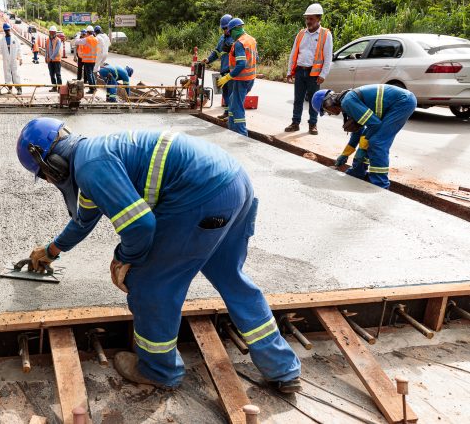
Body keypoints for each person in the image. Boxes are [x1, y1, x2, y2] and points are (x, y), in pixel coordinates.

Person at [16, 118, 302, 392]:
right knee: (230, 276)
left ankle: (159, 371)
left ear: (51, 166)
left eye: (44, 177)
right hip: (234, 184)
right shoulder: (94, 156)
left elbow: (140, 226)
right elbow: (83, 220)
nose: (49, 182)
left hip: (201, 197)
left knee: (150, 286)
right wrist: (51, 251)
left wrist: (124, 259)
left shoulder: (91, 167)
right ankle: (282, 369)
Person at [312, 84, 416, 189]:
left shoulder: (348, 102)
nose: (329, 114)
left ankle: (380, 185)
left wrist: (362, 147)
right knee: (367, 140)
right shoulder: (346, 103)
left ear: (328, 102)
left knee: (377, 142)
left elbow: (374, 124)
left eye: (326, 110)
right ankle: (357, 173)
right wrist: (345, 154)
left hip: (402, 102)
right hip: (396, 104)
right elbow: (358, 132)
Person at [285, 3, 333, 135]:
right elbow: (294, 52)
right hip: (300, 70)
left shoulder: (325, 34)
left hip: (314, 73)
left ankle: (313, 124)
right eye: (307, 18)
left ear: (318, 19)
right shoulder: (301, 33)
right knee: (298, 99)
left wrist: (323, 74)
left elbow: (328, 57)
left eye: (311, 18)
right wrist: (290, 71)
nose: (308, 21)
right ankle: (295, 123)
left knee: (313, 100)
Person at [216, 18, 257, 136]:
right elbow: (255, 59)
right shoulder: (251, 40)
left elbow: (241, 64)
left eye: (230, 31)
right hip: (250, 78)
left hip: (241, 79)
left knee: (237, 107)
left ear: (234, 30)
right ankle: (232, 129)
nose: (229, 33)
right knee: (233, 105)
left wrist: (228, 77)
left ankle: (242, 134)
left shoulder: (239, 43)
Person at [203, 14, 233, 121]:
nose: (225, 30)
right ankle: (226, 112)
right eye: (223, 28)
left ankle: (231, 115)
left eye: (227, 28)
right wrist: (208, 59)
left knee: (231, 93)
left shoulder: (236, 38)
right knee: (225, 92)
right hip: (224, 69)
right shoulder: (222, 38)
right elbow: (216, 51)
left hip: (232, 70)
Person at [0, 23, 22, 95]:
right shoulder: (2, 40)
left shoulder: (15, 38)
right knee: (7, 74)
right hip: (6, 60)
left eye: (8, 30)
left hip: (14, 59)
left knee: (16, 74)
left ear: (10, 30)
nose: (7, 31)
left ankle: (19, 89)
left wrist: (20, 58)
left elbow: (19, 49)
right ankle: (10, 89)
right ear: (4, 31)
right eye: (6, 30)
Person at [74, 27, 99, 93]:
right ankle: (94, 87)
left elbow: (77, 42)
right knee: (92, 74)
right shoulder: (96, 39)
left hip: (87, 60)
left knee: (89, 74)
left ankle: (92, 89)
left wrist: (77, 36)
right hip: (93, 59)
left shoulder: (86, 39)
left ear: (87, 32)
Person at [46, 26, 63, 92]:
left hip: (56, 60)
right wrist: (46, 57)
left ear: (55, 32)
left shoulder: (58, 40)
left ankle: (60, 88)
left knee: (58, 74)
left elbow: (56, 50)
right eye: (51, 32)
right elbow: (46, 50)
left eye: (53, 32)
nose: (52, 33)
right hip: (50, 60)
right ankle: (54, 87)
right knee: (51, 74)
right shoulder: (47, 40)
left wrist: (51, 58)